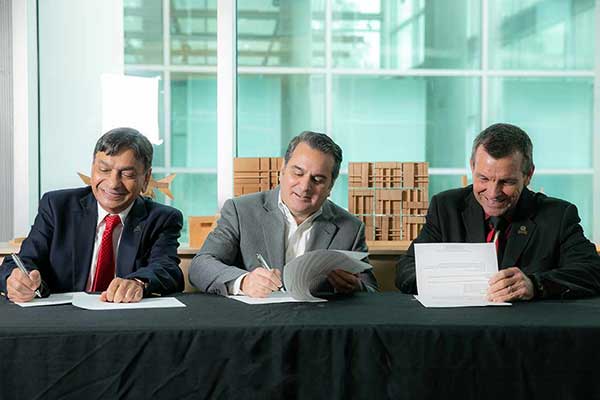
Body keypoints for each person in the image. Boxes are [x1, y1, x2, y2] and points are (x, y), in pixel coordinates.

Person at [396, 123, 600, 301]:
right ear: (472, 167)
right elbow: (406, 270)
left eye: (507, 182)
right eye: (483, 178)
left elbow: (593, 271)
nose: (493, 193)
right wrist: (449, 281)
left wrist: (535, 285)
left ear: (528, 175)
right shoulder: (446, 206)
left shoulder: (558, 215)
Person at [0, 127, 184, 303]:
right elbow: (22, 261)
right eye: (104, 170)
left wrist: (138, 283)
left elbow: (168, 270)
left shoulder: (162, 219)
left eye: (127, 174)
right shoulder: (57, 206)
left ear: (145, 178)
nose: (113, 184)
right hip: (61, 319)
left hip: (125, 320)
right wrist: (16, 279)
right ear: (92, 169)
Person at [189, 131, 378, 297]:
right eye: (297, 173)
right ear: (282, 171)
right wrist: (243, 282)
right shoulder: (241, 211)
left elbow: (371, 290)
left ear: (330, 187)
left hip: (318, 328)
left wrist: (356, 287)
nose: (305, 186)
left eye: (317, 179)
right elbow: (200, 266)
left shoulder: (350, 228)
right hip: (256, 327)